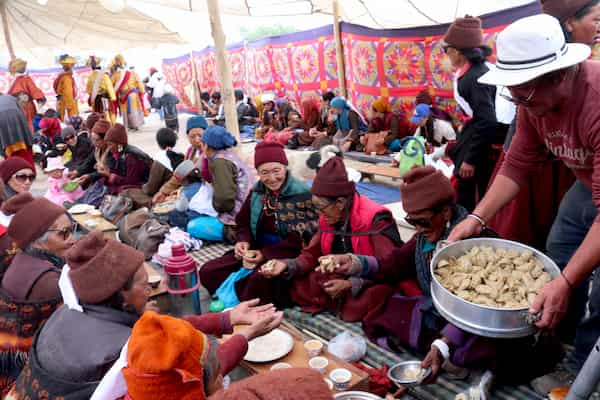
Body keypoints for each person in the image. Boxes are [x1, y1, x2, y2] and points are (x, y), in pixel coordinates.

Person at [446, 13, 600, 393]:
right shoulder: (530, 100)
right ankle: (559, 335)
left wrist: (565, 282)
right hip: (587, 183)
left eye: (524, 93)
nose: (518, 101)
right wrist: (478, 218)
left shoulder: (596, 103)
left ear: (561, 75)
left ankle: (584, 368)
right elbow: (517, 164)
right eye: (512, 93)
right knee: (561, 247)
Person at [362, 167, 561, 398]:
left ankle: (477, 368)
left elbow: (480, 308)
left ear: (445, 212)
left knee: (490, 348)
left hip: (483, 320)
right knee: (386, 304)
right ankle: (453, 356)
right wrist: (356, 263)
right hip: (443, 314)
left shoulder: (477, 244)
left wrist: (442, 345)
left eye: (423, 222)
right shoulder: (423, 239)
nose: (417, 229)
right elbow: (394, 264)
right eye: (411, 221)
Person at [263, 157, 402, 322]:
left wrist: (352, 284)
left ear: (341, 203)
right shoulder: (327, 217)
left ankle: (338, 302)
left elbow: (390, 267)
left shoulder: (375, 218)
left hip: (369, 279)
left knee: (376, 296)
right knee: (296, 280)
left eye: (321, 208)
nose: (319, 215)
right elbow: (311, 254)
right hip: (337, 276)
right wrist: (287, 264)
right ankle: (333, 301)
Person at [200, 142, 318, 308]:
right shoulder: (258, 191)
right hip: (256, 249)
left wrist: (264, 254)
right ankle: (231, 299)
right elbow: (243, 222)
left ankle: (238, 307)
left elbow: (300, 241)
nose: (271, 178)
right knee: (209, 271)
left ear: (285, 167)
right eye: (264, 172)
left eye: (276, 171)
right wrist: (243, 242)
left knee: (256, 282)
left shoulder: (300, 195)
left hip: (285, 255)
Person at [104, 313, 327, 400]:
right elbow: (312, 382)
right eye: (218, 375)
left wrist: (243, 331)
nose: (222, 377)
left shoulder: (143, 386)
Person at [0, 194, 72, 395]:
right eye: (63, 234)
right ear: (38, 240)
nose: (72, 240)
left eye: (71, 230)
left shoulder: (22, 258)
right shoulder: (51, 282)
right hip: (21, 375)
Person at [443, 16, 501, 212]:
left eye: (447, 49)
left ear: (458, 52)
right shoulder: (476, 71)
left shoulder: (474, 78)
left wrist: (470, 159)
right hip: (477, 134)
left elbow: (487, 121)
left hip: (482, 145)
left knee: (471, 191)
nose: (446, 54)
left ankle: (470, 228)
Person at [187, 125, 252, 243]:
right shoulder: (228, 154)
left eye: (202, 142)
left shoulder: (220, 162)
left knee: (192, 225)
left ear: (206, 145)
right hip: (243, 209)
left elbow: (224, 199)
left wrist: (215, 209)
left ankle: (234, 234)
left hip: (238, 216)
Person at [152, 116, 210, 204]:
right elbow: (180, 174)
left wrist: (183, 190)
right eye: (192, 136)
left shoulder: (212, 151)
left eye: (200, 135)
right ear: (187, 137)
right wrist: (163, 192)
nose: (197, 140)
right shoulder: (190, 151)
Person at [122, 127, 184, 209]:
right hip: (175, 193)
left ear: (159, 143)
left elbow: (150, 189)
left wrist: (143, 187)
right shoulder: (182, 155)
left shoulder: (160, 159)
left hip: (164, 196)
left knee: (128, 192)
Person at [99, 123, 151, 194]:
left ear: (119, 144)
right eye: (108, 145)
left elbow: (132, 181)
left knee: (121, 190)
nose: (109, 148)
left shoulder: (132, 157)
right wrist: (107, 172)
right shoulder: (119, 152)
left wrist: (112, 176)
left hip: (142, 184)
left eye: (110, 144)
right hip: (129, 182)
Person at [7, 58, 46, 131]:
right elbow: (36, 93)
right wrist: (40, 102)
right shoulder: (25, 79)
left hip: (20, 109)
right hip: (24, 109)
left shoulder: (14, 81)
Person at [111, 54, 145, 130]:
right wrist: (142, 91)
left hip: (123, 96)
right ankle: (136, 125)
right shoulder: (133, 73)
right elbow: (139, 83)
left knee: (125, 112)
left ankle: (127, 126)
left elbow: (111, 85)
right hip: (133, 95)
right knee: (134, 110)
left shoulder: (115, 75)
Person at [0, 95, 35, 166]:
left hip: (3, 126)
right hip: (17, 119)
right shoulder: (10, 97)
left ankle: (11, 169)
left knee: (6, 146)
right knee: (25, 147)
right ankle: (29, 168)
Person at [77, 119, 112, 187]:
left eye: (97, 140)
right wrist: (77, 172)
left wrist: (89, 177)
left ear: (105, 139)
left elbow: (107, 173)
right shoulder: (97, 149)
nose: (93, 142)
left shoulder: (112, 151)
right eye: (92, 139)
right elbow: (89, 162)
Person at [85, 56, 117, 124]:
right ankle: (109, 127)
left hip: (96, 99)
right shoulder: (104, 75)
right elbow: (109, 87)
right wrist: (113, 97)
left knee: (97, 114)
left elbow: (88, 90)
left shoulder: (90, 77)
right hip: (105, 99)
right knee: (107, 113)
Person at [53, 54, 79, 121]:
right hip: (67, 104)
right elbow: (68, 92)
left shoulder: (63, 76)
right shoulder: (66, 78)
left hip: (61, 101)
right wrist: (70, 106)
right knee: (71, 121)